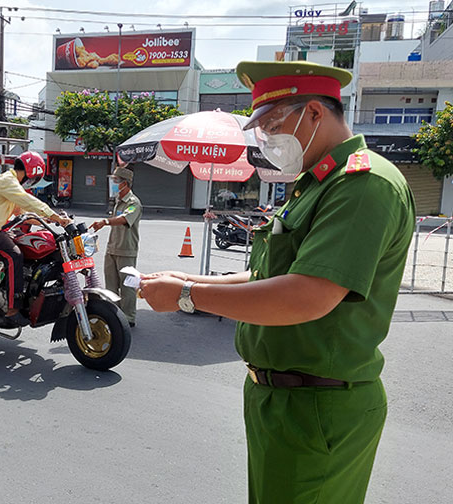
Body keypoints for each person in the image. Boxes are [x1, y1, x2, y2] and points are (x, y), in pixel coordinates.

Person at [139, 61, 415, 504]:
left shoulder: (362, 185)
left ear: (313, 113)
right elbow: (273, 275)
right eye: (261, 127)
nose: (266, 138)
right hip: (282, 400)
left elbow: (307, 295)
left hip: (317, 406)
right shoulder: (314, 183)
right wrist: (189, 276)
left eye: (272, 123)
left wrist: (188, 298)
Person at [0, 150, 71, 326]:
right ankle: (13, 309)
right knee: (15, 255)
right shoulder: (7, 181)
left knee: (37, 247)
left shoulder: (13, 186)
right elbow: (29, 201)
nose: (34, 182)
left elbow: (23, 211)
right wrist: (54, 215)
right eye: (36, 177)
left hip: (4, 229)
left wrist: (50, 221)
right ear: (32, 172)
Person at [89, 166, 142, 327]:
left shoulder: (133, 203)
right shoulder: (118, 201)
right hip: (112, 248)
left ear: (125, 184)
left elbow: (125, 219)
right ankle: (115, 315)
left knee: (127, 287)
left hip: (126, 250)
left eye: (116, 181)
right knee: (111, 285)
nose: (113, 183)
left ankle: (129, 318)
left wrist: (105, 221)